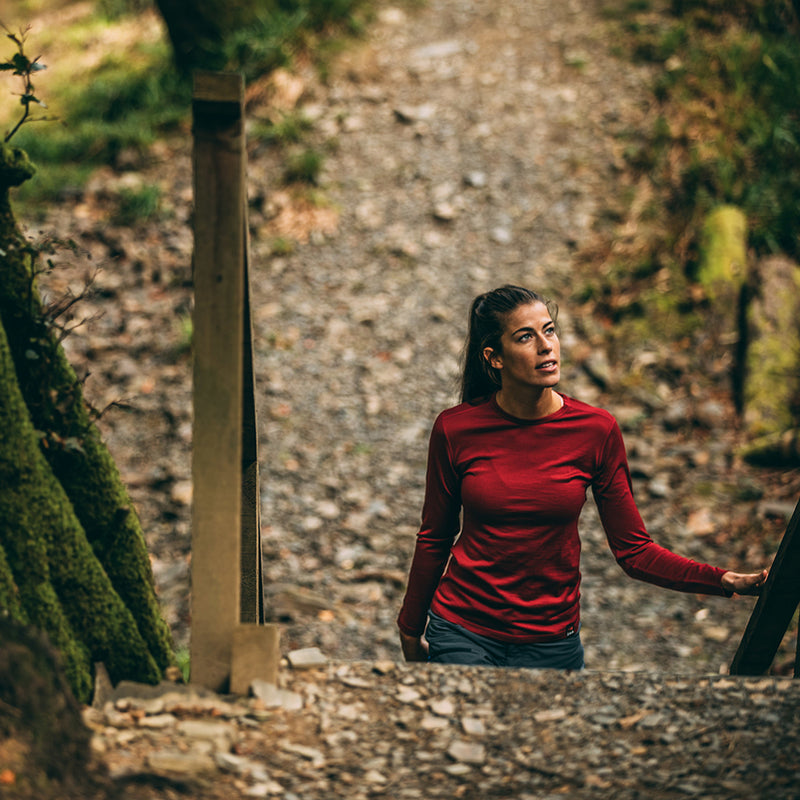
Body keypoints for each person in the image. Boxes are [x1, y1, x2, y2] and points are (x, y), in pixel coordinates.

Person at [397, 284, 768, 668]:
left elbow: (634, 551)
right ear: (495, 358)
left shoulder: (595, 430)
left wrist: (723, 580)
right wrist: (410, 627)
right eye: (526, 337)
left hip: (551, 639)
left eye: (550, 330)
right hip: (463, 628)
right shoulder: (456, 430)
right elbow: (435, 536)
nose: (546, 346)